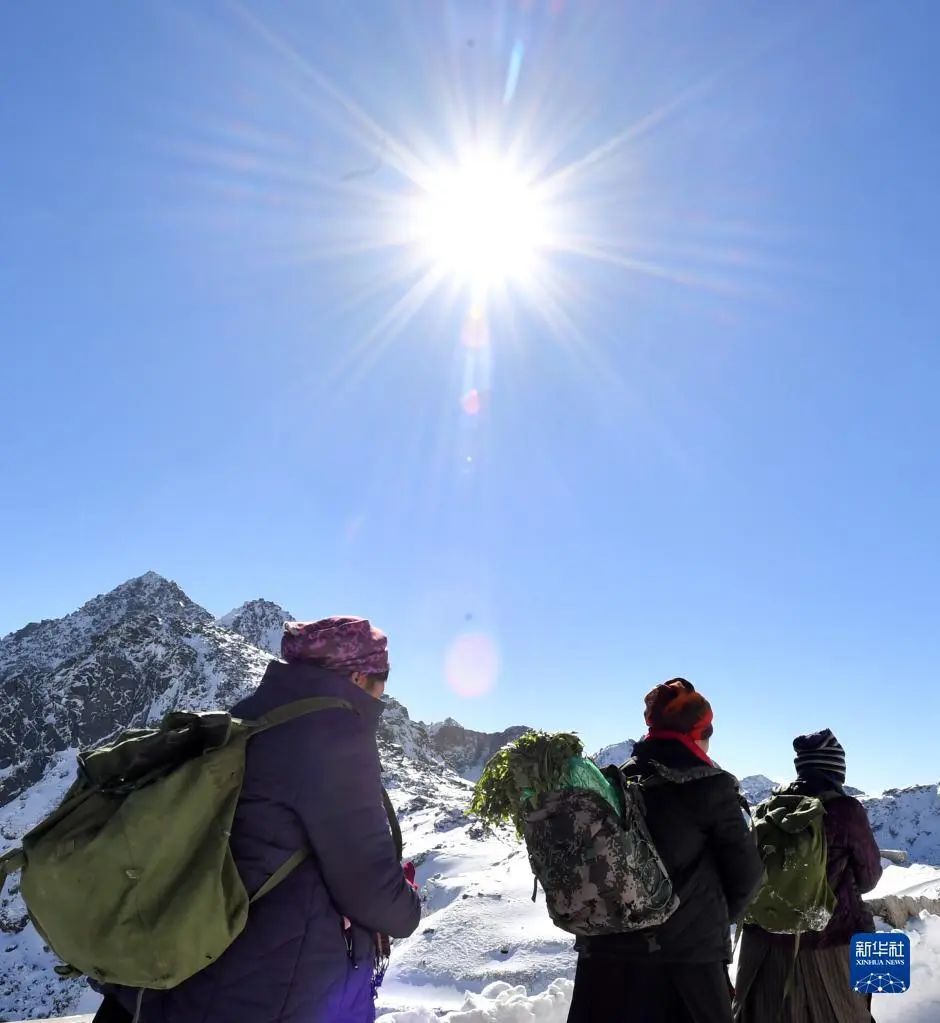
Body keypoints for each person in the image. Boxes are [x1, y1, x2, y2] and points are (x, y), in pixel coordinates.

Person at [93, 616, 421, 1023]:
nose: (380, 701)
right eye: (380, 685)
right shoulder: (334, 736)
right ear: (358, 677)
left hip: (170, 985)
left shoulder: (249, 717)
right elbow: (376, 897)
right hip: (257, 999)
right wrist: (407, 899)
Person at [567, 678, 763, 1023]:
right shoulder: (711, 786)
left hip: (604, 963)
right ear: (695, 731)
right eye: (708, 731)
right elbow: (747, 876)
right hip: (684, 968)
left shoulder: (608, 782)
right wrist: (703, 919)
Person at [733, 729, 882, 1023]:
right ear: (836, 769)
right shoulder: (846, 810)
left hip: (763, 942)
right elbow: (869, 878)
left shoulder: (769, 808)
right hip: (828, 943)